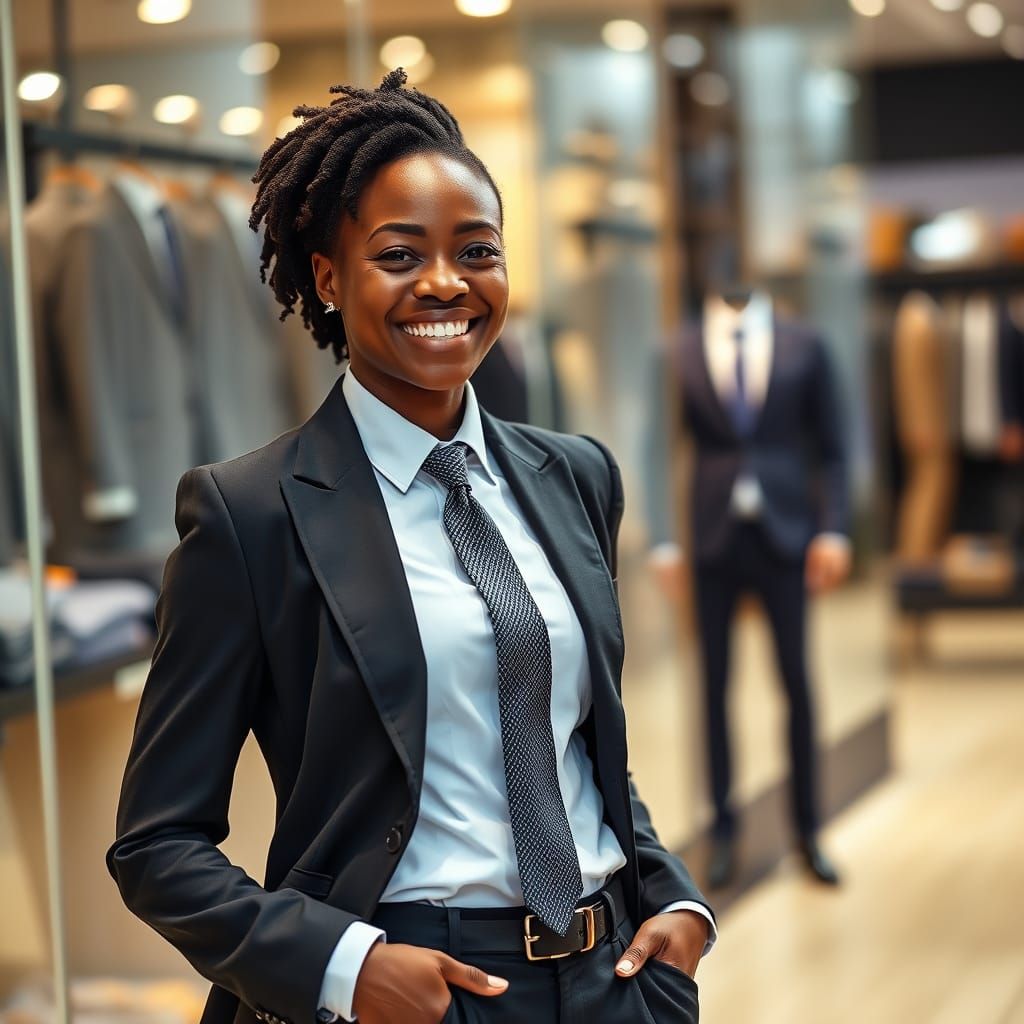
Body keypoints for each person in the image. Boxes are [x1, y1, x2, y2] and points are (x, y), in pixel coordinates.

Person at [107, 71, 714, 1024]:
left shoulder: (574, 476)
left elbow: (570, 744)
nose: (444, 282)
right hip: (416, 989)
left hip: (616, 982)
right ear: (327, 278)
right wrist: (343, 968)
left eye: (477, 250)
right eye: (399, 255)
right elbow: (156, 846)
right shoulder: (252, 514)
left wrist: (671, 895)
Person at [665, 288, 851, 889]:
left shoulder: (805, 342)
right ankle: (722, 831)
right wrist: (665, 539)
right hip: (713, 535)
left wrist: (834, 530)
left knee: (796, 680)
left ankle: (809, 831)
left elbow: (834, 447)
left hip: (788, 533)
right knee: (714, 686)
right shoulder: (684, 346)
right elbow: (659, 443)